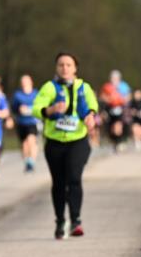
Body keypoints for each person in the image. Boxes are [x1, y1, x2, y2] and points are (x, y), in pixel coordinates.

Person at [32, 52, 98, 240]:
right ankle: (60, 220)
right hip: (54, 142)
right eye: (61, 65)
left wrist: (90, 116)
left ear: (75, 68)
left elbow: (93, 104)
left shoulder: (84, 87)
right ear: (56, 68)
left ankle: (76, 220)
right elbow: (36, 108)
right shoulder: (49, 87)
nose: (65, 68)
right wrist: (49, 110)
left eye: (68, 65)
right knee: (59, 183)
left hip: (78, 140)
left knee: (74, 178)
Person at [11, 74, 40, 173]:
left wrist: (32, 109)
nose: (24, 84)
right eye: (23, 82)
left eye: (26, 81)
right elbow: (13, 108)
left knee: (31, 140)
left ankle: (32, 161)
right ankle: (27, 161)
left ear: (31, 82)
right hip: (21, 122)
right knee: (24, 144)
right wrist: (19, 109)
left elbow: (41, 106)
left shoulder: (36, 93)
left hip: (32, 121)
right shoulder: (17, 95)